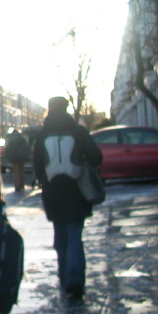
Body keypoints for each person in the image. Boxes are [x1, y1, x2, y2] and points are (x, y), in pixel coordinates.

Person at [33, 96, 102, 301]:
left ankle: (64, 279)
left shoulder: (42, 135)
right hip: (76, 191)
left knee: (60, 238)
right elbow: (96, 157)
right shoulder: (78, 131)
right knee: (74, 236)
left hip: (52, 192)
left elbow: (37, 166)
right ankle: (75, 281)